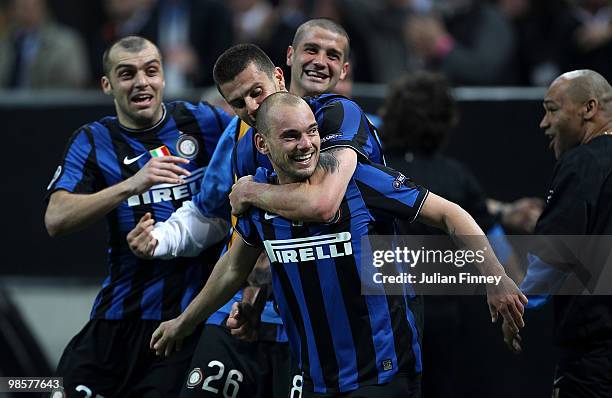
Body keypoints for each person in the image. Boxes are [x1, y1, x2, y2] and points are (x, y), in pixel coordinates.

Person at [149, 92, 527, 397]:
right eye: (291, 136)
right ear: (262, 144)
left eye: (311, 131)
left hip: (383, 371)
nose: (306, 145)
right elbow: (234, 268)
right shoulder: (257, 198)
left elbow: (450, 214)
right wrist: (184, 323)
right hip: (314, 378)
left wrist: (495, 279)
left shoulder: (358, 180)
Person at [44, 35, 232, 397]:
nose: (141, 82)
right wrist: (131, 185)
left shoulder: (202, 122)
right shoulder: (92, 140)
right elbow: (56, 218)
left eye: (151, 71)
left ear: (163, 77)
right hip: (116, 317)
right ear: (107, 85)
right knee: (49, 388)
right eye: (126, 74)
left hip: (183, 322)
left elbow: (253, 153)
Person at [502, 69, 612, 397]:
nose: (544, 123)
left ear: (589, 108)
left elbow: (554, 253)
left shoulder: (582, 163)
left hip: (596, 356)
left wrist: (517, 305)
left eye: (552, 109)